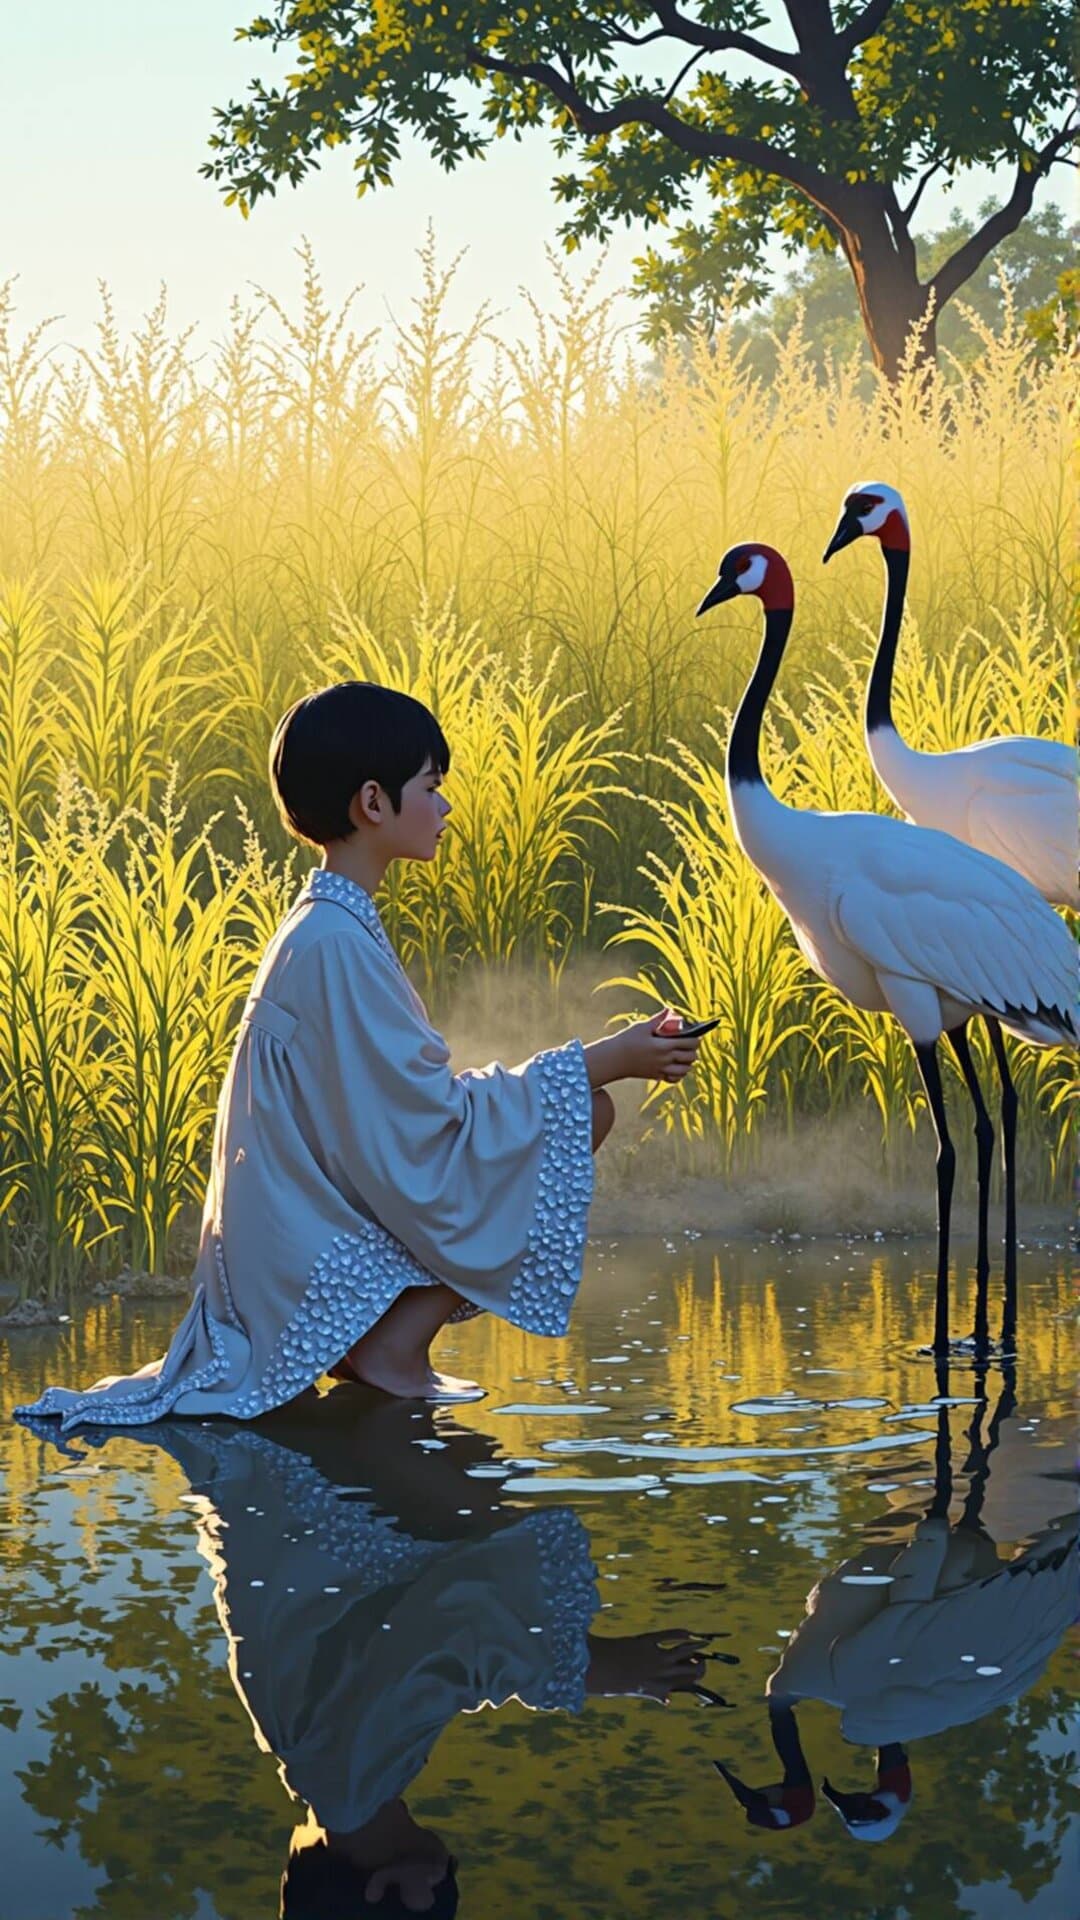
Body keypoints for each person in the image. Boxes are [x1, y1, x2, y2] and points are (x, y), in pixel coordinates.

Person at [14, 680, 702, 1434]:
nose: (445, 807)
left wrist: (598, 1064)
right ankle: (390, 1346)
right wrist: (608, 1059)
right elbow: (424, 1126)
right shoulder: (334, 942)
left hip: (295, 1229)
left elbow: (400, 1114)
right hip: (298, 1249)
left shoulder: (327, 926)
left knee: (565, 1110)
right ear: (373, 802)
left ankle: (382, 1340)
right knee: (576, 1114)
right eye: (430, 788)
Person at [90, 1388, 716, 1917]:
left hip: (324, 1493)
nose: (450, 1892)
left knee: (455, 1473)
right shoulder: (326, 1779)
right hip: (282, 1480)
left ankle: (390, 1376)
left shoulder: (352, 1783)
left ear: (382, 1892)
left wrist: (589, 1671)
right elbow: (423, 1666)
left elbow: (444, 1640)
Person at [716, 1370, 1078, 1843]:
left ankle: (984, 1384)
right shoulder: (857, 1687)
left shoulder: (855, 1687)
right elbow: (908, 1612)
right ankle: (986, 1383)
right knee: (963, 1468)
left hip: (954, 1563)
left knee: (969, 1472)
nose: (847, 1799)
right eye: (864, 1805)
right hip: (955, 1565)